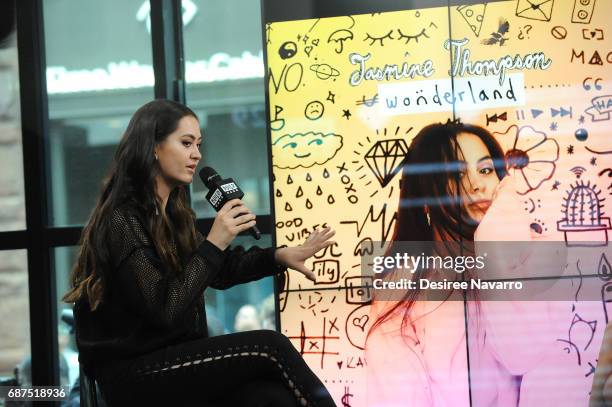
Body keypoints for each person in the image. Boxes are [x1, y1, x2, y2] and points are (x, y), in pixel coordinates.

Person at [62, 99, 337, 407]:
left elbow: (218, 271)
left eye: (198, 144)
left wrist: (277, 256)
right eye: (186, 143)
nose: (197, 154)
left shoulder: (172, 216)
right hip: (135, 373)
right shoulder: (122, 220)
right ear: (153, 146)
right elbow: (166, 307)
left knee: (270, 397)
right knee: (270, 346)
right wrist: (214, 242)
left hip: (175, 361)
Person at [365, 121, 573, 406]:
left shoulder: (540, 256)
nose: (477, 184)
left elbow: (523, 356)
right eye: (456, 174)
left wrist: (497, 251)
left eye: (486, 170)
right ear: (424, 198)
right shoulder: (403, 292)